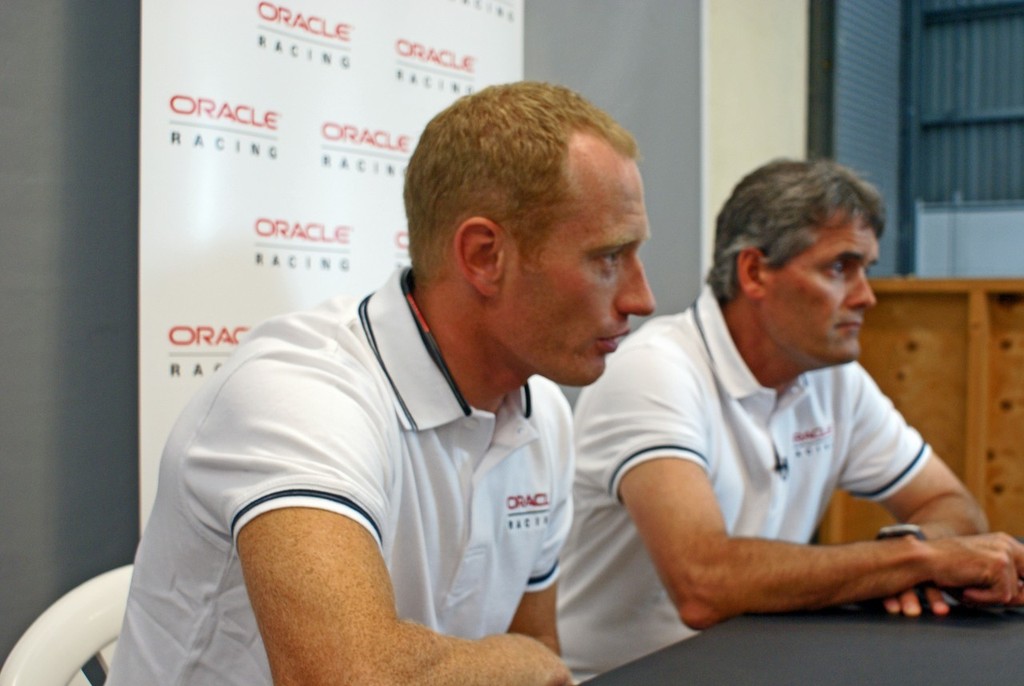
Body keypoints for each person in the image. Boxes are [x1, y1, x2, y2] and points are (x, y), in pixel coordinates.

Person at [107, 81, 655, 685]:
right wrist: (519, 663)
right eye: (608, 257)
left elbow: (537, 653)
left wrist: (523, 662)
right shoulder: (300, 392)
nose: (641, 298)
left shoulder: (542, 412)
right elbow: (350, 678)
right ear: (482, 255)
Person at [557, 158, 1024, 680]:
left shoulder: (832, 377)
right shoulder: (654, 370)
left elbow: (952, 505)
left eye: (866, 269)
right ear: (754, 272)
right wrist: (916, 562)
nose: (866, 296)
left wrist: (908, 554)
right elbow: (704, 584)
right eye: (839, 268)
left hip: (756, 667)